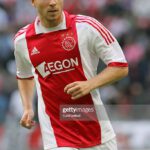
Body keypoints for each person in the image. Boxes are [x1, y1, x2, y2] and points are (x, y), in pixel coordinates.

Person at [14, 0, 128, 150]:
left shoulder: (87, 27)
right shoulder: (22, 40)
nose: (53, 3)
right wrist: (27, 107)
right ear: (33, 2)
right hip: (56, 134)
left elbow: (120, 66)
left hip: (96, 130)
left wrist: (90, 84)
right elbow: (24, 75)